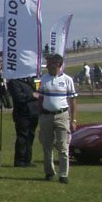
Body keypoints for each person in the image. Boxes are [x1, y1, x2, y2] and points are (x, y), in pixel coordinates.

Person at [37, 53, 78, 184]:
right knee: (46, 145)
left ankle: (63, 174)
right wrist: (40, 114)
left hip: (62, 115)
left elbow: (73, 101)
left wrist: (73, 120)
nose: (47, 66)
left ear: (57, 65)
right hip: (46, 115)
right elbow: (40, 98)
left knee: (63, 146)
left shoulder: (67, 80)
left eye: (49, 63)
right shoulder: (44, 79)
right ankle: (49, 172)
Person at [7, 76, 39, 167]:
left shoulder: (29, 80)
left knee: (30, 137)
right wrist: (32, 95)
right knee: (22, 137)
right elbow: (18, 97)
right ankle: (20, 160)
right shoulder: (14, 82)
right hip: (23, 114)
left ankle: (27, 159)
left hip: (33, 112)